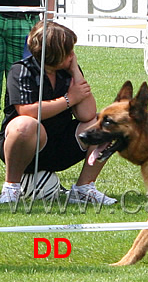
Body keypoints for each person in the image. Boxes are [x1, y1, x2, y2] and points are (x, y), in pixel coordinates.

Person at [0, 21, 115, 204]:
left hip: (60, 144)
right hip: (25, 146)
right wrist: (69, 99)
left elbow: (86, 114)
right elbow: (28, 111)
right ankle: (11, 187)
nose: (72, 54)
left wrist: (75, 72)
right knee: (26, 125)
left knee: (108, 126)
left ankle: (83, 189)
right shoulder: (21, 70)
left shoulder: (68, 71)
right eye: (68, 51)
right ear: (53, 53)